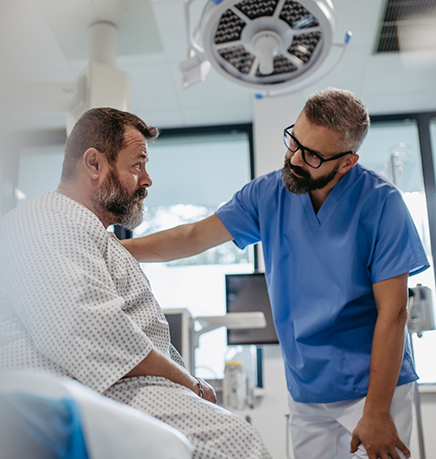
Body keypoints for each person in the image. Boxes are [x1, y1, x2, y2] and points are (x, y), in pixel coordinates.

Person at [120, 88, 430, 459]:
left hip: (372, 389)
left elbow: (394, 312)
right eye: (293, 141)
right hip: (306, 390)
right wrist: (114, 248)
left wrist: (377, 411)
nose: (294, 158)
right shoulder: (268, 193)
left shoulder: (382, 203)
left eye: (312, 155)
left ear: (346, 163)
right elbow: (195, 235)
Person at [0, 107, 272, 459]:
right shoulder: (48, 220)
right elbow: (93, 333)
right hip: (82, 390)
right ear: (94, 164)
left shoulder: (92, 235)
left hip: (111, 385)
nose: (147, 180)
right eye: (138, 165)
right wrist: (190, 382)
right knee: (233, 445)